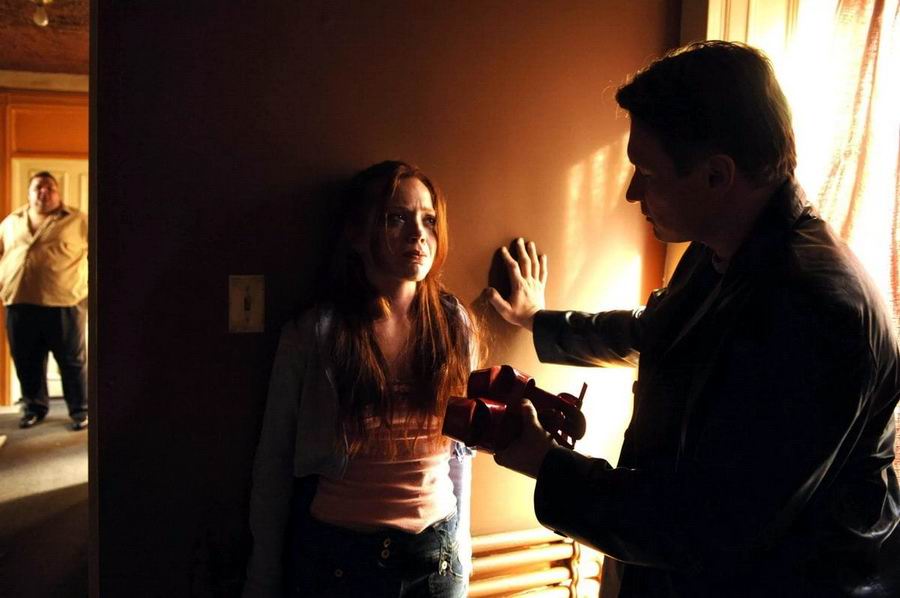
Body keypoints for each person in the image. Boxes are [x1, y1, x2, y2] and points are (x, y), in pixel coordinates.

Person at [485, 41, 900, 597]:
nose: (631, 192)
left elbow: (711, 527)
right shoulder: (724, 247)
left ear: (716, 176)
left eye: (646, 171)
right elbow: (653, 330)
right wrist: (539, 321)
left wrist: (549, 465)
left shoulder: (817, 310)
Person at [244, 161, 479, 597]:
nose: (418, 234)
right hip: (341, 561)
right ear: (356, 233)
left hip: (436, 557)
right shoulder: (316, 333)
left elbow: (459, 457)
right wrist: (263, 577)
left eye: (429, 219)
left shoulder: (453, 325)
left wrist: (461, 558)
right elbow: (274, 459)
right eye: (397, 218)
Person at [0, 171, 88, 431]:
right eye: (38, 187)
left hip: (63, 303)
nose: (44, 192)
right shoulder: (11, 222)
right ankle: (34, 408)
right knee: (26, 360)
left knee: (71, 362)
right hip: (19, 302)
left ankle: (81, 410)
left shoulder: (78, 221)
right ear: (29, 193)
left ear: (58, 193)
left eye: (50, 187)